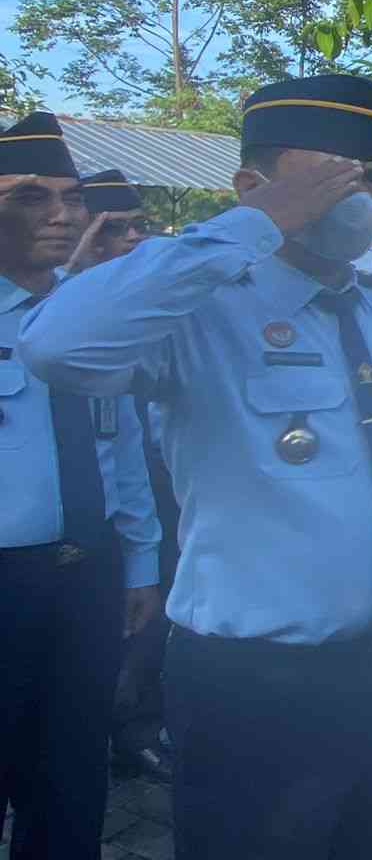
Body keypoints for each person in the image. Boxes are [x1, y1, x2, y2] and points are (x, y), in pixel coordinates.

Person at [21, 75, 372, 860]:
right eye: (321, 174)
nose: (349, 192)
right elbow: (57, 345)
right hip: (254, 681)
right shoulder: (199, 304)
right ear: (251, 186)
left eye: (361, 175)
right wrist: (251, 226)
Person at [1, 116, 161, 860]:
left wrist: (140, 562)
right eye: (32, 197)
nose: (62, 215)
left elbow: (122, 445)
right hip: (5, 578)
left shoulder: (89, 321)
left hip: (87, 576)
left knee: (72, 777)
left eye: (69, 197)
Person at [70, 170, 178, 784]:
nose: (136, 237)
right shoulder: (44, 315)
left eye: (140, 224)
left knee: (149, 614)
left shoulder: (149, 301)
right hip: (58, 517)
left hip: (147, 483)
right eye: (117, 228)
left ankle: (133, 728)